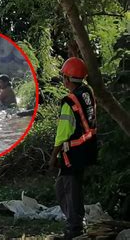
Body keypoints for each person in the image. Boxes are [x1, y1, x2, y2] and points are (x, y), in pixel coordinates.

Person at [48, 57, 97, 239]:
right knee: (63, 187)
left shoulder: (69, 100)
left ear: (68, 79)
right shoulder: (87, 92)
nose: (63, 80)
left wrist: (53, 156)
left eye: (63, 76)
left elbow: (63, 132)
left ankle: (74, 227)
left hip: (73, 151)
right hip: (87, 147)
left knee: (70, 189)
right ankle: (75, 221)